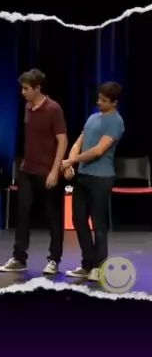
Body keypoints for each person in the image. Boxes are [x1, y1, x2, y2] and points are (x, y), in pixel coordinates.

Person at [0, 69, 68, 274]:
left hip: (47, 170)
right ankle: (19, 258)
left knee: (53, 216)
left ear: (38, 88)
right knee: (23, 214)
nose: (23, 92)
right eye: (22, 88)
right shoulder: (28, 107)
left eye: (26, 88)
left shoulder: (53, 108)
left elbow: (62, 141)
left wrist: (55, 171)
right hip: (27, 170)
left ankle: (54, 259)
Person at [63, 82, 124, 281]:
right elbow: (78, 143)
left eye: (104, 100)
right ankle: (87, 263)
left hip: (101, 178)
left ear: (114, 102)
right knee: (78, 220)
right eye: (99, 98)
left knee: (99, 224)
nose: (99, 102)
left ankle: (99, 267)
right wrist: (71, 163)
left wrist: (71, 161)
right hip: (83, 177)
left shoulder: (116, 122)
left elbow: (98, 150)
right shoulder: (92, 118)